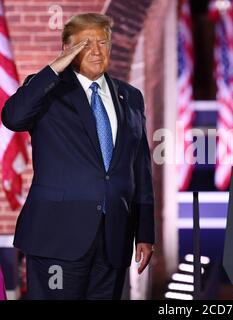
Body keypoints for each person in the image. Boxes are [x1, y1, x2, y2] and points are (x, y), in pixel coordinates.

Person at [1, 13, 155, 300]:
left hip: (113, 240)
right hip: (57, 238)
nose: (97, 51)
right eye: (86, 44)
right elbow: (12, 117)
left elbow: (140, 168)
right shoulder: (48, 89)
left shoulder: (130, 96)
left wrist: (145, 231)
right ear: (68, 50)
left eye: (103, 42)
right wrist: (54, 68)